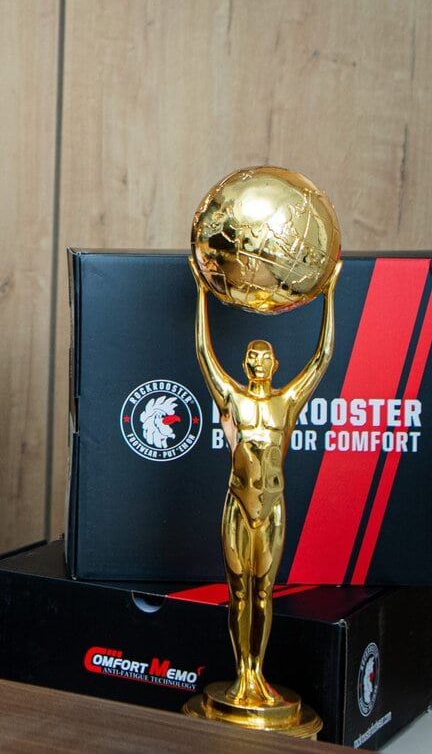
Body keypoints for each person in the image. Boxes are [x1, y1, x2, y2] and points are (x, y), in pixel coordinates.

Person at [190, 258, 340, 705]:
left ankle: (257, 673)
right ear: (246, 362)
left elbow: (323, 356)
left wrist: (329, 292)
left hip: (271, 507)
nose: (258, 361)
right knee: (239, 593)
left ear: (274, 363)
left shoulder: (287, 403)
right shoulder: (232, 398)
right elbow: (203, 353)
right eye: (252, 356)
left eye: (264, 355)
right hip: (238, 506)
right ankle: (241, 677)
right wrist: (201, 289)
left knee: (263, 595)